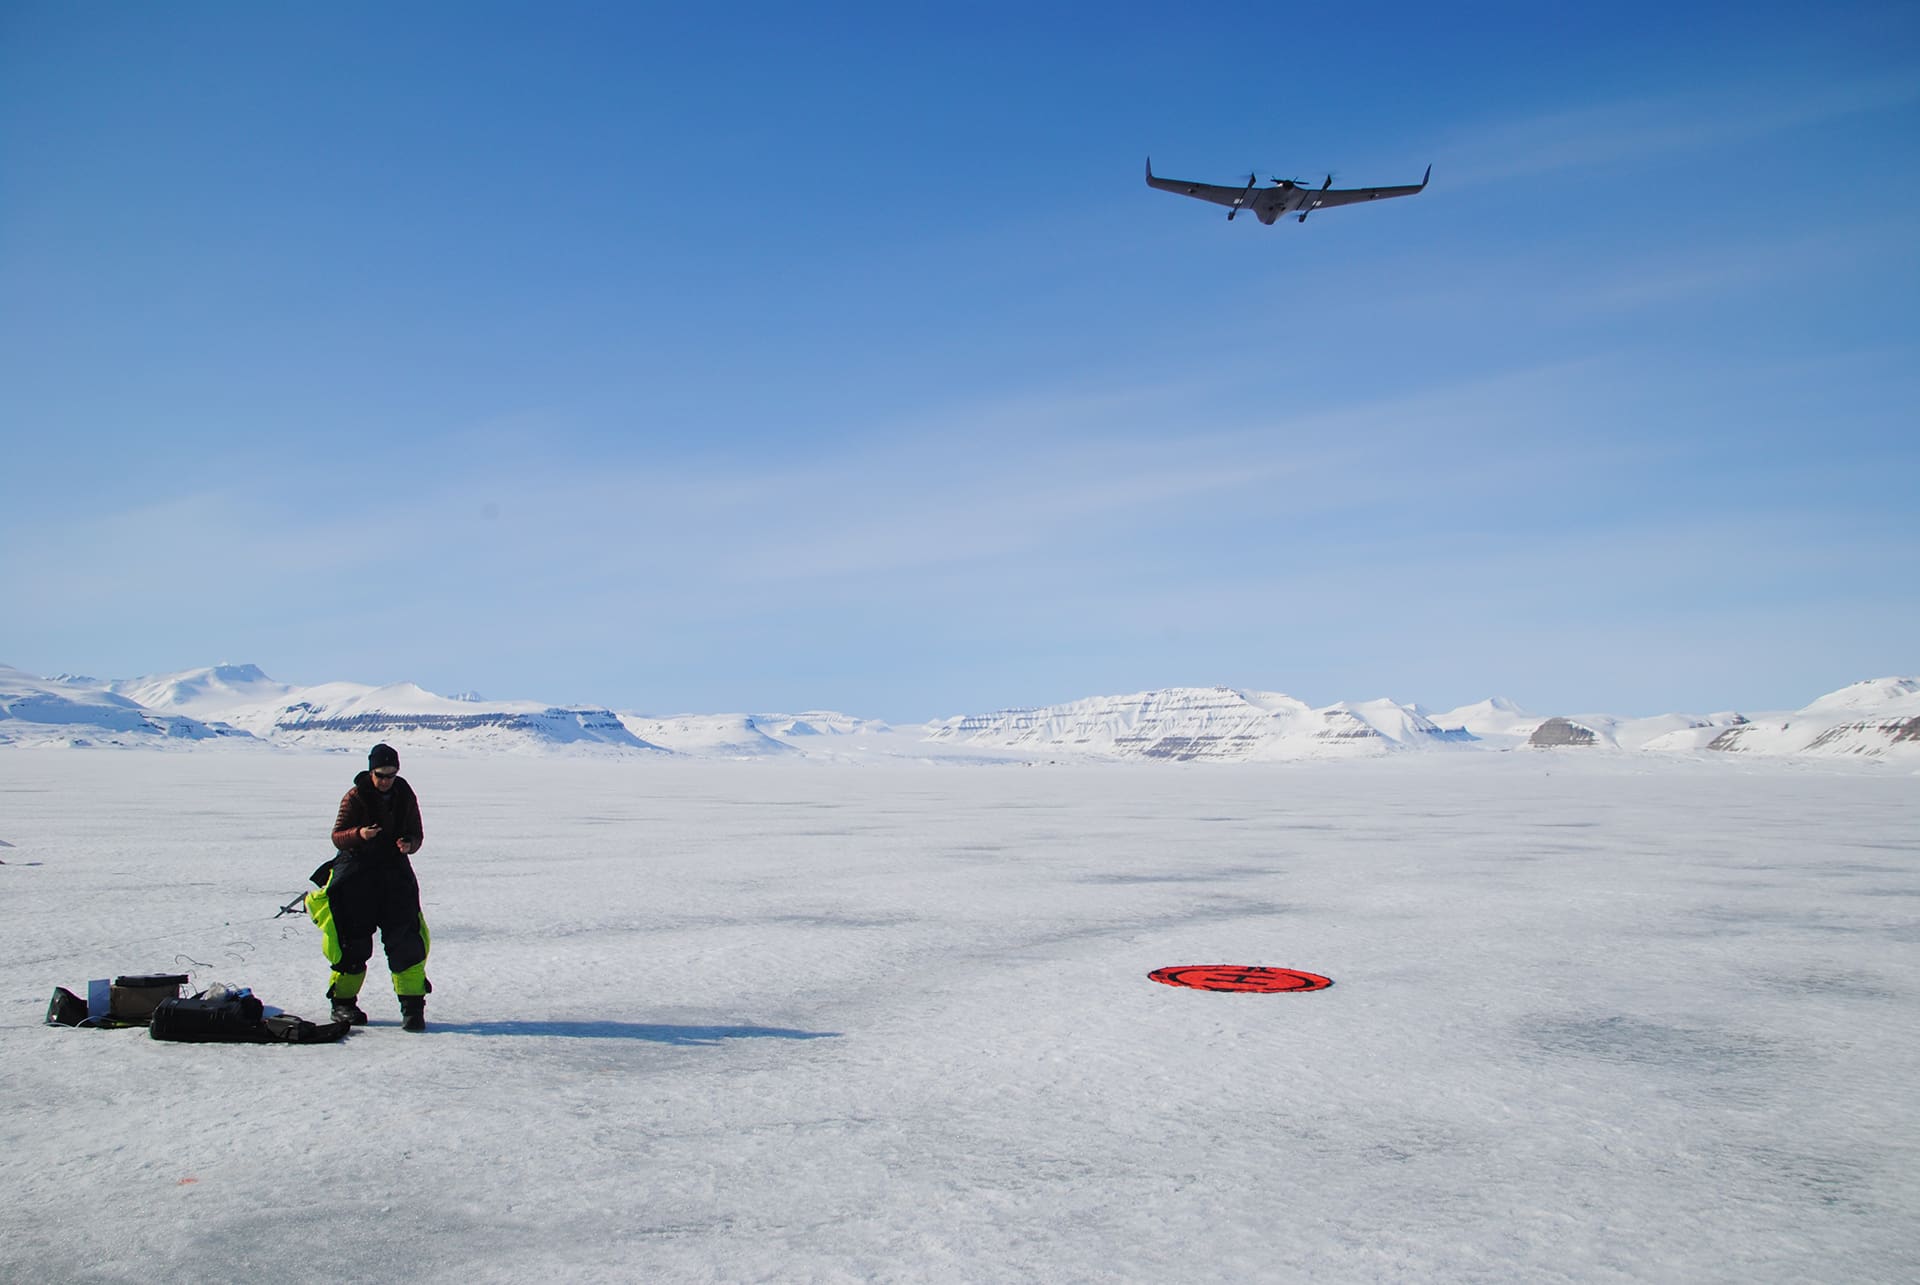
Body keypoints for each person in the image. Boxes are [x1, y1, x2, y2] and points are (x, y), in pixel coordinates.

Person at [309, 743, 432, 1031]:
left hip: (395, 876)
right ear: (370, 770)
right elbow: (338, 837)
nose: (386, 780)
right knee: (352, 944)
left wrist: (409, 844)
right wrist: (360, 834)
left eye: (391, 774)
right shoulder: (354, 797)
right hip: (357, 876)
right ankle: (343, 1004)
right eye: (381, 774)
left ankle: (413, 1008)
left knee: (407, 942)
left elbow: (417, 833)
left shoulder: (405, 794)